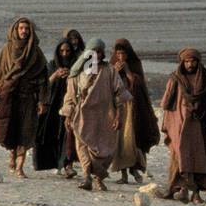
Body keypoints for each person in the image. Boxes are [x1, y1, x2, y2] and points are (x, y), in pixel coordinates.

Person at [62, 39, 132, 193]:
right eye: (93, 51)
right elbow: (70, 95)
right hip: (82, 115)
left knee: (106, 150)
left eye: (99, 51)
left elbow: (119, 94)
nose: (97, 54)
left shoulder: (110, 70)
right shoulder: (78, 72)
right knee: (83, 145)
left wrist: (119, 116)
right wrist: (68, 115)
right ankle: (86, 176)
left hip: (105, 116)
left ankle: (98, 178)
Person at [160, 48, 206, 204]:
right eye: (187, 61)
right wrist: (169, 125)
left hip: (199, 125)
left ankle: (195, 193)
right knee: (180, 157)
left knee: (199, 158)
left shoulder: (205, 78)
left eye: (193, 61)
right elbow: (167, 104)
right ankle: (177, 188)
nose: (190, 64)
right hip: (180, 126)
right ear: (182, 62)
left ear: (198, 62)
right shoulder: (176, 78)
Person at [0, 16, 49, 179]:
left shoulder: (36, 52)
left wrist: (43, 100)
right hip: (10, 96)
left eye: (26, 29)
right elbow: (0, 72)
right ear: (15, 30)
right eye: (21, 28)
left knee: (27, 130)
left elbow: (43, 78)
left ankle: (20, 168)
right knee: (11, 128)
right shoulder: (7, 49)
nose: (24, 31)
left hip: (28, 97)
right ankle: (12, 154)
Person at [109, 38, 160, 185]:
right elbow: (108, 84)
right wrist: (116, 72)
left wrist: (126, 71)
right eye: (118, 54)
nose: (120, 57)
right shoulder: (112, 65)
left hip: (133, 109)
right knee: (120, 141)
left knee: (133, 139)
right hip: (119, 109)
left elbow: (138, 84)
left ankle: (135, 169)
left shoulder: (135, 65)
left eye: (123, 54)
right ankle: (124, 174)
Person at [34, 36, 76, 176]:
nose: (65, 54)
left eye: (67, 51)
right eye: (62, 51)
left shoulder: (75, 66)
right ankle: (55, 163)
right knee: (51, 134)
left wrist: (71, 75)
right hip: (52, 106)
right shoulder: (52, 65)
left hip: (69, 106)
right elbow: (44, 83)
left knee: (68, 134)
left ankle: (67, 165)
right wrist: (56, 75)